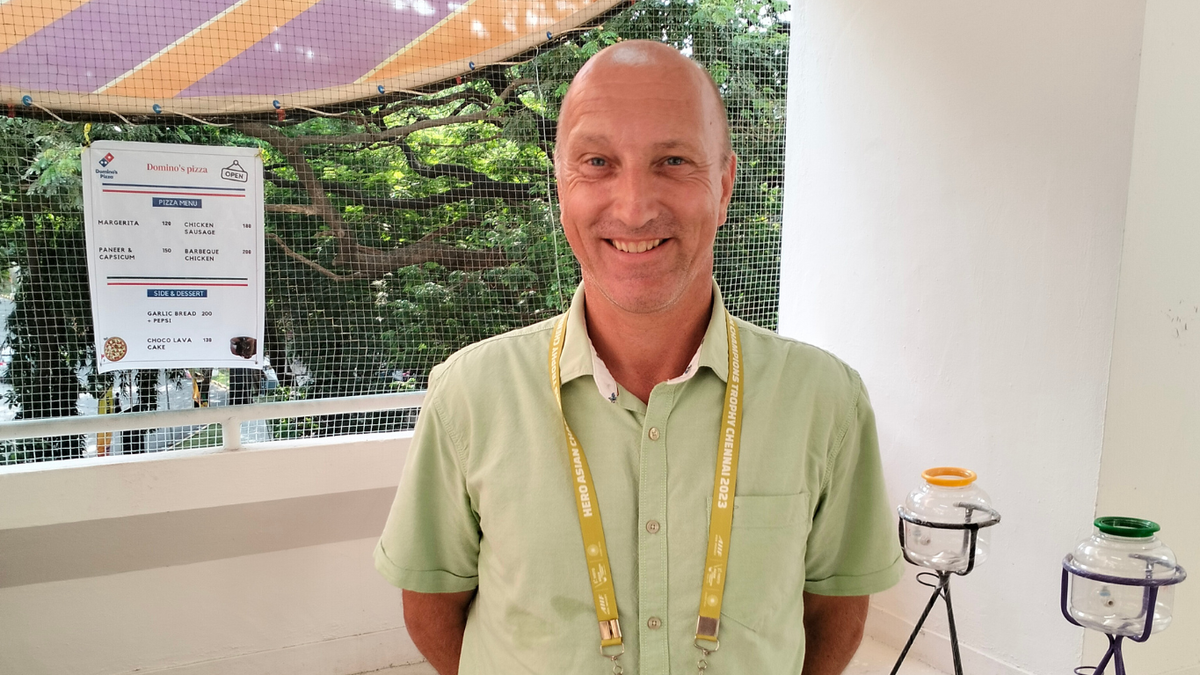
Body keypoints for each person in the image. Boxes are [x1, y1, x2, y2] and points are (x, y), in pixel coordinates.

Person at [375, 40, 902, 675]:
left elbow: (835, 609)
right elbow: (431, 607)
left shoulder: (825, 400)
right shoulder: (469, 395)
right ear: (561, 186)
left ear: (724, 185)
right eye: (598, 162)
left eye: (673, 161)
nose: (633, 208)